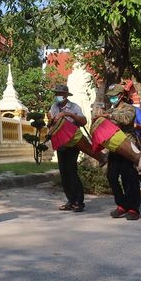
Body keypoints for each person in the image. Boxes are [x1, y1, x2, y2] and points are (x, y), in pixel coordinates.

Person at [99, 84, 141, 221]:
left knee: (129, 177)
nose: (111, 98)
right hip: (115, 147)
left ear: (121, 95)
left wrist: (109, 115)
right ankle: (122, 204)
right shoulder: (110, 109)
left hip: (128, 146)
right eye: (110, 96)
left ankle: (133, 208)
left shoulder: (129, 108)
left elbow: (127, 119)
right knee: (111, 176)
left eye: (114, 96)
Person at [48, 83, 87, 212]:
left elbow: (83, 121)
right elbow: (51, 122)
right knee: (64, 173)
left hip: (72, 142)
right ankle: (70, 200)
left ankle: (79, 202)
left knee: (72, 171)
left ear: (65, 95)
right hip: (60, 143)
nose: (57, 96)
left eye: (60, 94)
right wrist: (51, 120)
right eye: (56, 94)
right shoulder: (54, 107)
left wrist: (68, 114)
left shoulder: (74, 107)